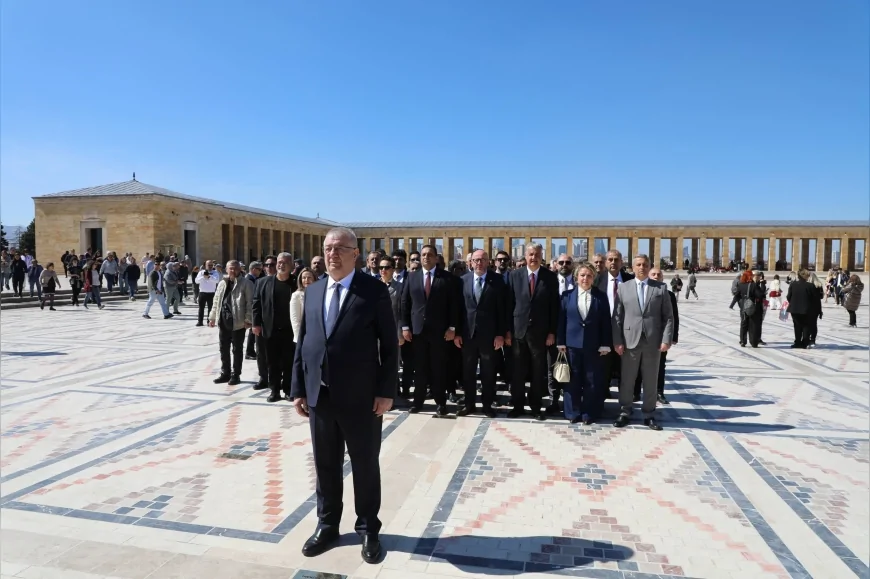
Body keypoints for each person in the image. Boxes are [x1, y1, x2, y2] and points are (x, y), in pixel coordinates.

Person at [290, 227, 398, 564]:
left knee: (364, 464)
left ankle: (368, 527)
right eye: (327, 248)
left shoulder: (374, 291)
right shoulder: (314, 290)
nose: (332, 254)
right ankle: (327, 525)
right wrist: (297, 388)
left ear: (355, 253)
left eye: (340, 248)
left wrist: (386, 390)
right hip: (320, 396)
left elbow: (390, 345)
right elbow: (304, 342)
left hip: (362, 398)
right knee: (325, 465)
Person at [612, 255, 674, 431]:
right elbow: (617, 317)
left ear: (650, 267)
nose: (642, 267)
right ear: (632, 267)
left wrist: (666, 339)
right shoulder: (624, 288)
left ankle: (649, 414)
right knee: (627, 379)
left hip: (652, 342)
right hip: (629, 340)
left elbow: (668, 317)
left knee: (650, 380)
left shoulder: (660, 288)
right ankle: (625, 411)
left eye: (645, 265)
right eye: (638, 265)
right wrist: (617, 341)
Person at [401, 244, 460, 416]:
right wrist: (405, 327)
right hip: (417, 332)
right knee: (419, 369)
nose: (426, 257)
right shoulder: (411, 278)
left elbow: (453, 305)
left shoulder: (447, 279)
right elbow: (405, 304)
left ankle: (440, 402)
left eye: (430, 255)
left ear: (436, 258)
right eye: (423, 254)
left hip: (439, 332)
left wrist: (452, 327)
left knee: (438, 368)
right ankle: (418, 401)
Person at [506, 243, 559, 421]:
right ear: (525, 256)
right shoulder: (514, 275)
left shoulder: (550, 277)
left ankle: (536, 406)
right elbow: (509, 305)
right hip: (518, 332)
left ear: (541, 256)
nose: (533, 257)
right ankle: (518, 405)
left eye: (537, 254)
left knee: (538, 371)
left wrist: (552, 332)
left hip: (540, 333)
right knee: (518, 371)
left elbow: (554, 307)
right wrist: (507, 331)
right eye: (530, 254)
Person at [556, 262, 611, 424]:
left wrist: (605, 343)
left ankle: (589, 413)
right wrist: (560, 342)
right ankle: (572, 412)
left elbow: (605, 322)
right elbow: (561, 321)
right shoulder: (567, 296)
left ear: (593, 278)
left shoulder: (600, 296)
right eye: (582, 275)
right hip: (571, 346)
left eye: (588, 275)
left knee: (591, 380)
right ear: (576, 278)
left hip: (593, 346)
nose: (585, 278)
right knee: (571, 380)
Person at [455, 250, 507, 418]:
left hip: (489, 336)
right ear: (471, 263)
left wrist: (500, 334)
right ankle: (469, 404)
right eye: (476, 260)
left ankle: (487, 405)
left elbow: (502, 311)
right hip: (467, 336)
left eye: (483, 260)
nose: (479, 263)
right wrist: (456, 333)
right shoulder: (463, 281)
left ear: (488, 262)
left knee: (488, 372)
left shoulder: (498, 281)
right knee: (468, 372)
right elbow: (458, 311)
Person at [252, 253, 297, 402]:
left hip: (290, 331)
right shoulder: (263, 283)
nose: (281, 265)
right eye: (279, 262)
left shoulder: (296, 283)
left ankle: (289, 390)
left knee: (288, 362)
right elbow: (256, 305)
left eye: (285, 262)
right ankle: (274, 390)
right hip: (270, 329)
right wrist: (256, 324)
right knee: (272, 362)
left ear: (291, 265)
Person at [209, 260, 254, 386]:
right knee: (223, 348)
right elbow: (216, 301)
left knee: (237, 349)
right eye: (230, 268)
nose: (233, 271)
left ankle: (236, 374)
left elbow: (250, 303)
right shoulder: (222, 283)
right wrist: (212, 317)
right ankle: (225, 373)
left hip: (238, 322)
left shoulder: (246, 284)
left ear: (239, 269)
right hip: (223, 321)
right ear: (226, 269)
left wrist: (248, 319)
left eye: (235, 268)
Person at [736, 270, 764, 347]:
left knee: (743, 324)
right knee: (753, 324)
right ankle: (753, 342)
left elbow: (736, 295)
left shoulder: (740, 285)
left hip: (743, 307)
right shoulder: (753, 285)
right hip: (752, 307)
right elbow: (760, 295)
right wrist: (761, 285)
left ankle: (742, 341)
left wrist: (741, 303)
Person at [290, 268, 316, 341]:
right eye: (304, 278)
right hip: (303, 336)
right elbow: (295, 320)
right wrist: (299, 338)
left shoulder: (319, 293)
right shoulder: (296, 295)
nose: (306, 280)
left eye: (309, 277)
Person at [195, 260, 221, 327]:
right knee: (201, 308)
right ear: (205, 265)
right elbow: (196, 281)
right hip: (202, 292)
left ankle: (209, 321)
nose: (210, 266)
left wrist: (209, 277)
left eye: (211, 265)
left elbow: (216, 280)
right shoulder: (201, 272)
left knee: (210, 308)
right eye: (208, 265)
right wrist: (203, 277)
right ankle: (200, 321)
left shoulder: (215, 273)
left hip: (211, 293)